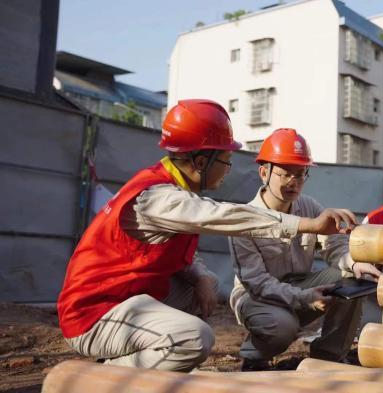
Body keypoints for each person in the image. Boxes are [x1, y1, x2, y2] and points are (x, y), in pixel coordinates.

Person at [57, 100, 356, 372]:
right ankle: (104, 374)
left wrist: (200, 275)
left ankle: (166, 361)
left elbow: (182, 252)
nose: (227, 170)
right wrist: (309, 225)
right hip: (93, 314)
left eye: (300, 173)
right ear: (201, 162)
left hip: (127, 299)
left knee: (203, 284)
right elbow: (226, 216)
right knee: (196, 338)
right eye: (225, 160)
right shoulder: (160, 198)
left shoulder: (173, 192)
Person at [229, 128, 381, 370]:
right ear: (263, 173)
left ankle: (327, 358)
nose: (294, 182)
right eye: (286, 174)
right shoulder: (245, 219)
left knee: (352, 278)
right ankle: (255, 358)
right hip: (257, 298)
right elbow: (257, 283)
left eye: (300, 174)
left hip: (299, 286)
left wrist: (354, 263)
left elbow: (333, 246)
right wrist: (305, 298)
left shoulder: (308, 206)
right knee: (282, 326)